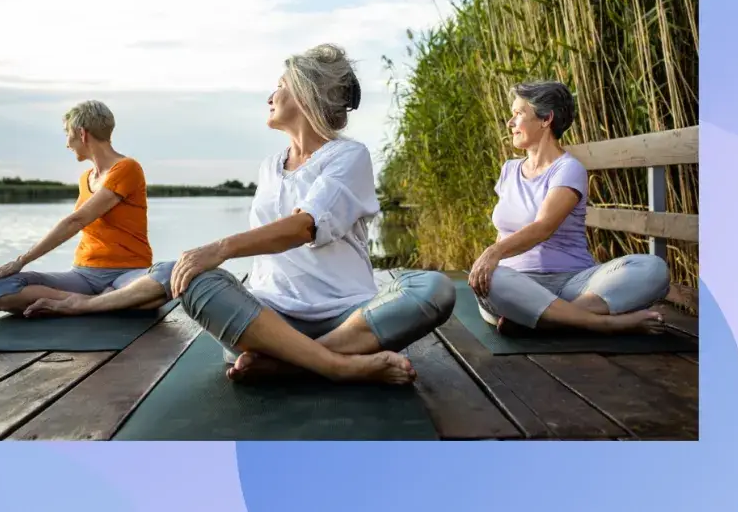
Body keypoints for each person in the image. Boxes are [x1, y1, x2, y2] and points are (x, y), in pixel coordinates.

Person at [25, 44, 456, 385]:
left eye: (280, 86)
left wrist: (222, 247)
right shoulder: (270, 166)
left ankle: (298, 364)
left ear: (305, 94)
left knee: (433, 288)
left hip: (349, 314)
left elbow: (306, 225)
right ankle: (336, 365)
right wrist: (207, 261)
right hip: (270, 317)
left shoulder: (348, 156)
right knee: (188, 276)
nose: (270, 96)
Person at [467, 81, 671, 336]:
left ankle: (544, 319)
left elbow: (543, 227)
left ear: (546, 119)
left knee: (653, 269)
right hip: (519, 286)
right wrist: (494, 259)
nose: (510, 122)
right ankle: (605, 323)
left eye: (518, 114)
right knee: (493, 281)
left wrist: (493, 252)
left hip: (573, 283)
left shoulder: (568, 169)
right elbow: (503, 232)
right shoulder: (508, 170)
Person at [0, 100, 154, 313]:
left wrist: (21, 261)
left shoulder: (127, 168)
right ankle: (91, 301)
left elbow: (77, 220)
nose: (67, 143)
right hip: (83, 276)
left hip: (127, 274)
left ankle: (100, 301)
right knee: (0, 289)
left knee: (162, 281)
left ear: (82, 134)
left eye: (67, 134)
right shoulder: (86, 178)